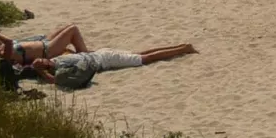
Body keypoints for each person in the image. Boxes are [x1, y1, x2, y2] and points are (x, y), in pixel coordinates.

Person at [27, 44, 197, 86]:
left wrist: (40, 71)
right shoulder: (58, 63)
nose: (41, 60)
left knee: (144, 59)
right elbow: (54, 79)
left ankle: (183, 48)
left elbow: (54, 80)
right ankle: (182, 47)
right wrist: (41, 70)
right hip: (102, 55)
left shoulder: (57, 64)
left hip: (104, 59)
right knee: (141, 55)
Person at [0, 24, 89, 63]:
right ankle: (85, 55)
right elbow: (8, 41)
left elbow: (0, 42)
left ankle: (83, 52)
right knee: (73, 29)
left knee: (68, 26)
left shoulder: (0, 48)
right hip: (47, 50)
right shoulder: (5, 54)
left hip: (44, 42)